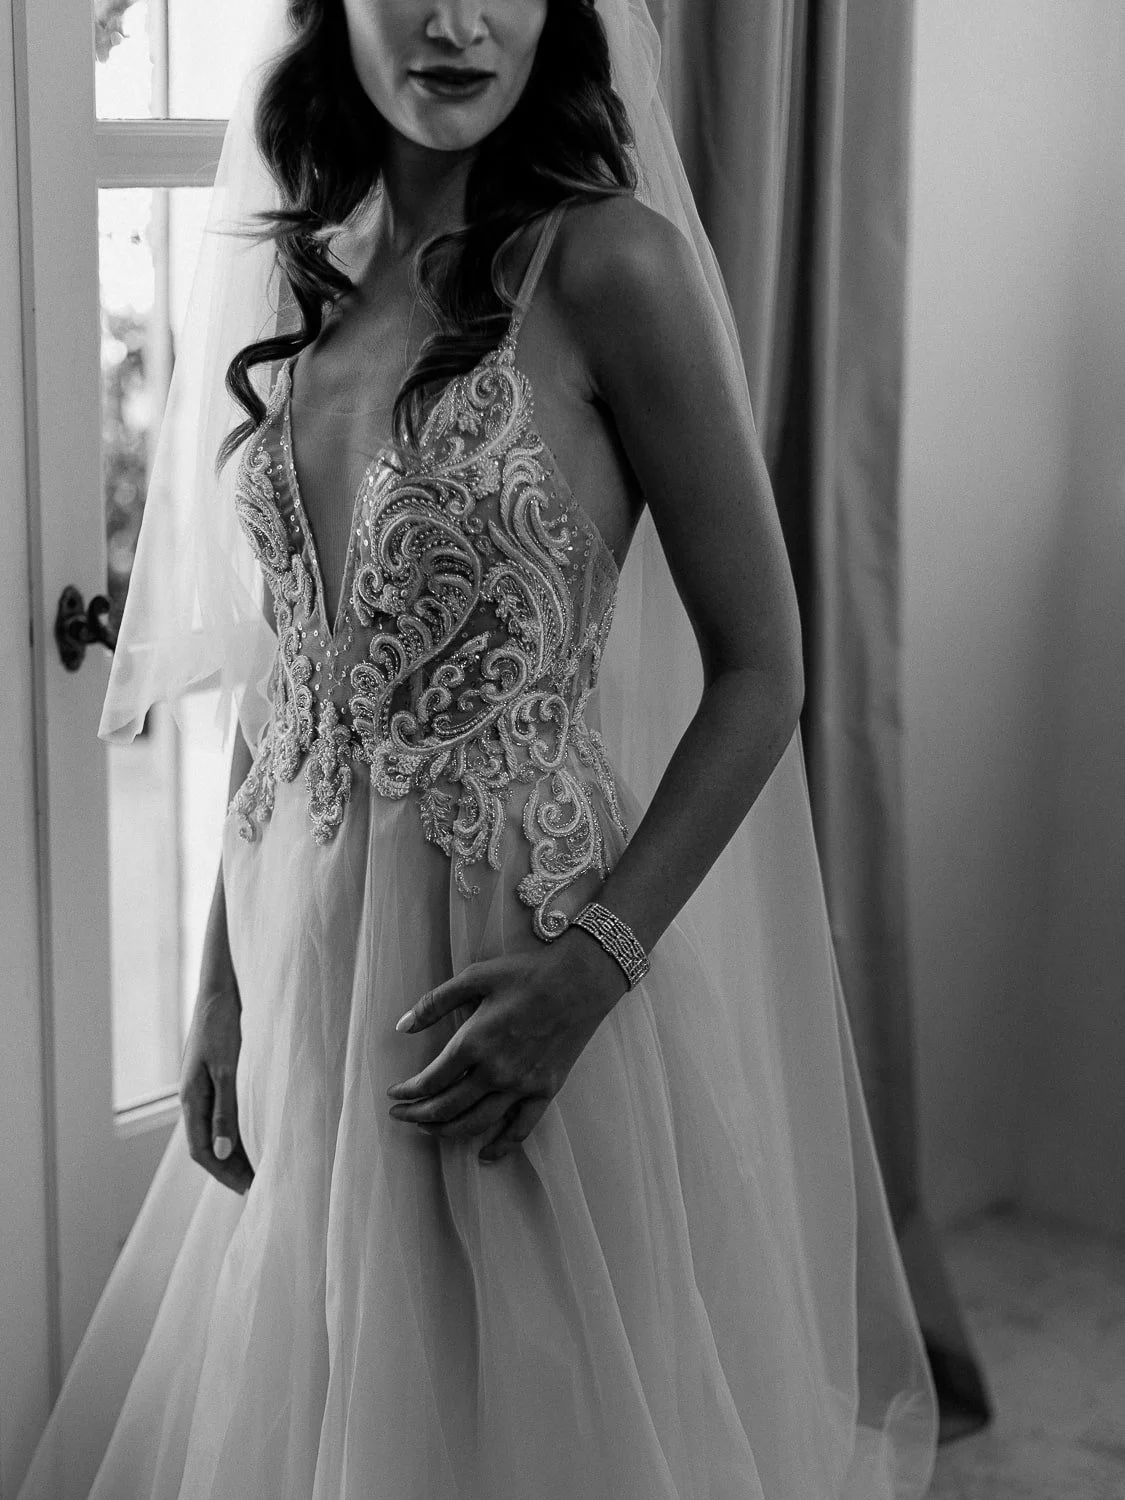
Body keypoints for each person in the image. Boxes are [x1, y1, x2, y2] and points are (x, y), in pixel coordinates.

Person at [19, 1, 938, 1496]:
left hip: (513, 950)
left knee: (528, 1411)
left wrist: (589, 975)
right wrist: (219, 987)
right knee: (332, 1391)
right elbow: (295, 671)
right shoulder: (307, 266)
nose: (455, 21)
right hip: (306, 944)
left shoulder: (607, 267)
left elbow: (763, 672)